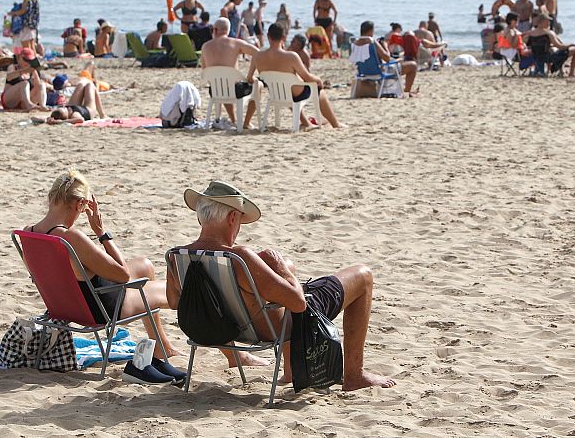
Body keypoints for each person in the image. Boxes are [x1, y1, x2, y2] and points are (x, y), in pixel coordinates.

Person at [167, 180, 397, 389]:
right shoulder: (240, 258)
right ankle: (354, 376)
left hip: (227, 328)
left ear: (200, 218)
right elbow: (298, 304)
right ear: (232, 218)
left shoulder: (177, 257)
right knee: (363, 275)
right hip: (275, 329)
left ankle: (289, 372)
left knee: (271, 271)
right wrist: (283, 270)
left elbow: (175, 302)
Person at [23, 169, 182, 360]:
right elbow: (122, 275)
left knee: (145, 265)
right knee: (173, 289)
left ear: (51, 197)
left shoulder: (29, 234)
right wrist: (101, 233)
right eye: (83, 210)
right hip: (101, 308)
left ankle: (161, 345)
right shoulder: (69, 237)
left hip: (64, 306)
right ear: (80, 204)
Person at [247, 23, 341, 128]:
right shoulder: (291, 56)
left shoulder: (257, 56)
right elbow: (307, 77)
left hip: (276, 93)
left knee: (287, 87)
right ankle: (336, 124)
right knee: (320, 92)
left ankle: (306, 122)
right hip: (294, 94)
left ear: (268, 36)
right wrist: (318, 80)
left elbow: (249, 78)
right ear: (284, 37)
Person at [201, 17, 260, 129]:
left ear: (214, 30)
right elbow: (257, 53)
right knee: (258, 85)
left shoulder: (205, 46)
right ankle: (246, 122)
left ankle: (233, 119)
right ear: (227, 31)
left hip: (214, 90)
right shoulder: (236, 43)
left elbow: (205, 70)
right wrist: (250, 75)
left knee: (223, 84)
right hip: (235, 90)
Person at [352, 20, 418, 97]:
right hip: (379, 72)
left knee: (399, 61)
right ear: (370, 31)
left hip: (362, 72)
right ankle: (407, 91)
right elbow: (387, 58)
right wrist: (385, 46)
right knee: (413, 65)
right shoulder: (373, 42)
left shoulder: (355, 43)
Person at [527, 13, 575, 77]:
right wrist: (570, 45)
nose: (549, 23)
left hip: (536, 57)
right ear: (544, 21)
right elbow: (560, 46)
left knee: (554, 50)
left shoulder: (530, 33)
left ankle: (560, 70)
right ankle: (571, 73)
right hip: (549, 58)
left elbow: (528, 45)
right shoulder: (549, 33)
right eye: (548, 21)